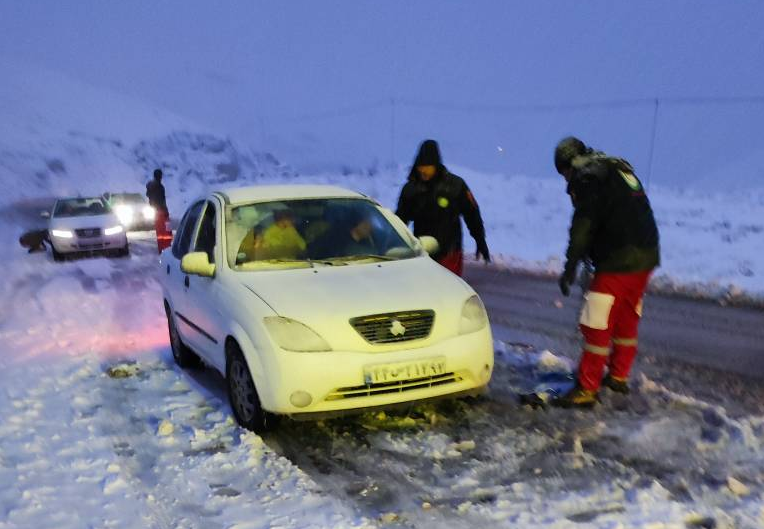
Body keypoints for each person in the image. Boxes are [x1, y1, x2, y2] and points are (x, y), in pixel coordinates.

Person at [553, 136, 660, 407]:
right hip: (646, 256)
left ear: (570, 165)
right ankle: (618, 376)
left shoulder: (588, 178)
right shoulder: (615, 168)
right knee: (625, 317)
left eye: (564, 173)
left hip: (618, 259)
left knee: (596, 322)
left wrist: (570, 266)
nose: (566, 180)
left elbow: (583, 226)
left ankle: (587, 388)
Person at [395, 139, 489, 276]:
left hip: (450, 254)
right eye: (421, 166)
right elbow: (400, 221)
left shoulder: (455, 185)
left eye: (427, 166)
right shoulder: (411, 189)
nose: (423, 170)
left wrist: (480, 239)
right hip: (423, 253)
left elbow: (471, 213)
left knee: (449, 288)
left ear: (436, 165)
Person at [146, 168, 172, 253]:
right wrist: (166, 211)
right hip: (162, 211)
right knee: (167, 232)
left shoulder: (151, 187)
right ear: (160, 176)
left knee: (160, 233)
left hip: (156, 212)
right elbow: (162, 200)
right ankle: (167, 249)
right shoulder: (159, 187)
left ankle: (161, 249)